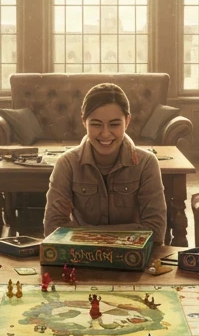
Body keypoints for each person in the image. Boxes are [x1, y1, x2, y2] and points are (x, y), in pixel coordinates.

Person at [43, 83, 167, 242]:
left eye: (114, 124)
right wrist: (130, 232)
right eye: (96, 124)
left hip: (132, 261)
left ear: (127, 121)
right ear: (84, 122)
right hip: (80, 260)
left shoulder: (146, 164)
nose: (105, 134)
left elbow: (155, 232)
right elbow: (52, 229)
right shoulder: (66, 164)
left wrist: (84, 233)